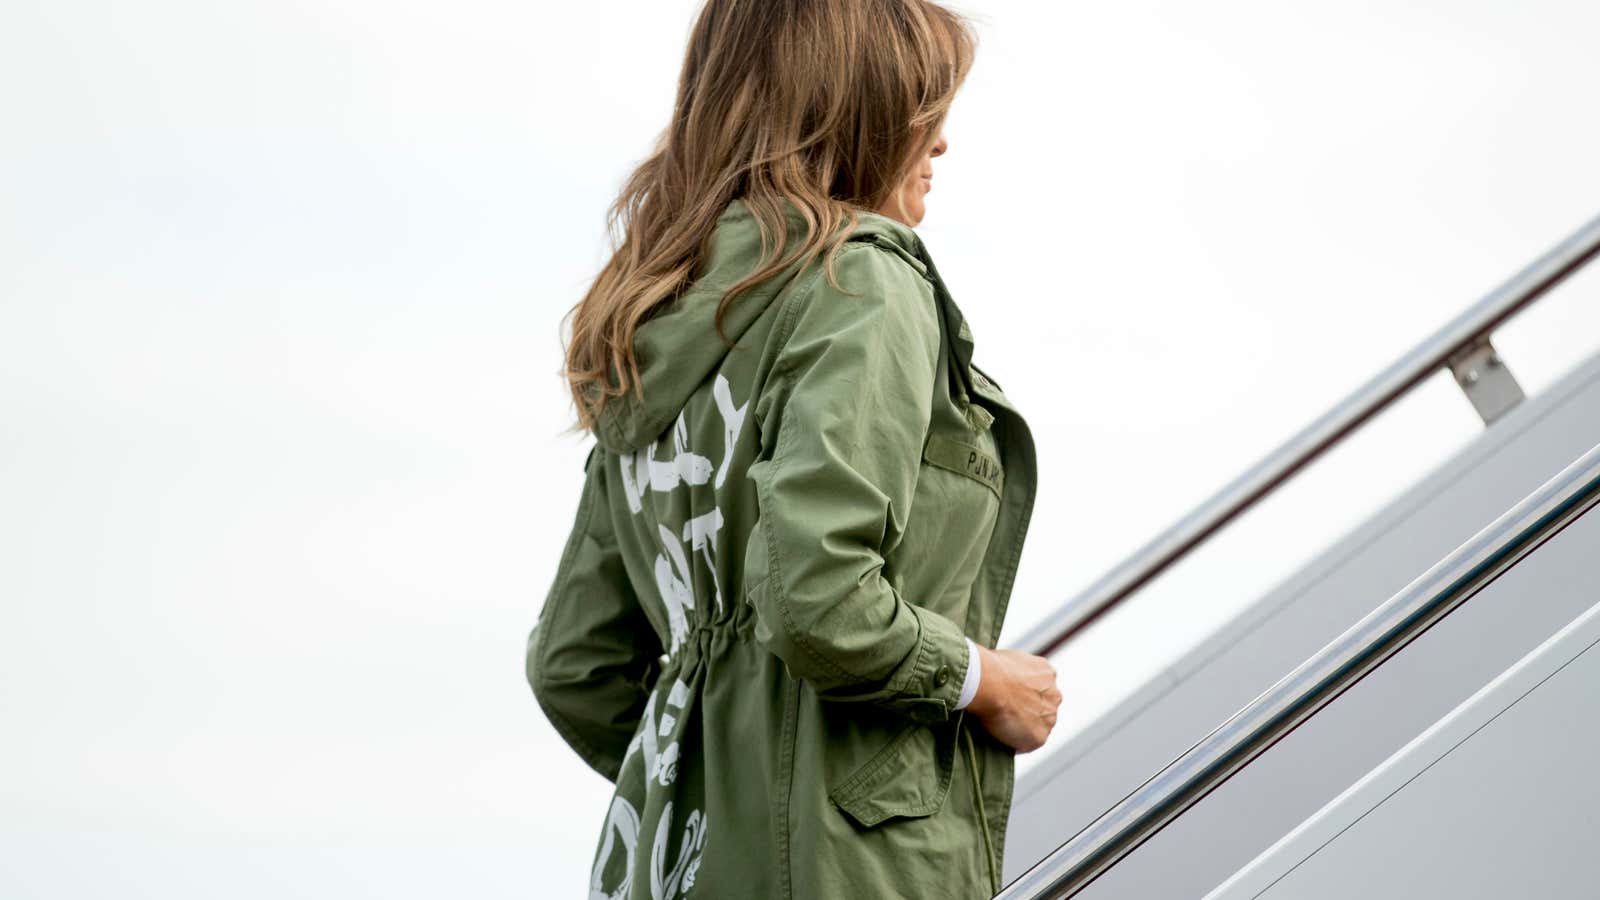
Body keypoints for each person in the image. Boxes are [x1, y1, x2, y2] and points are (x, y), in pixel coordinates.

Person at [526, 1, 1062, 896]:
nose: (940, 143)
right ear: (858, 107)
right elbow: (821, 596)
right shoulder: (860, 280)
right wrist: (983, 681)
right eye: (923, 105)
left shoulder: (650, 321)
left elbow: (573, 665)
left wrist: (719, 782)